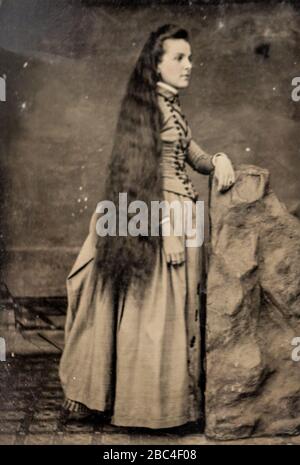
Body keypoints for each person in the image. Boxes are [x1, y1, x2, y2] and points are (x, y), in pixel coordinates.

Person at [59, 24, 235, 429]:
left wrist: (219, 159)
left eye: (189, 57)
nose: (189, 65)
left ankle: (173, 406)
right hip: (154, 216)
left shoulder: (170, 106)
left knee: (172, 315)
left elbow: (188, 151)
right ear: (155, 65)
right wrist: (164, 232)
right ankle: (149, 410)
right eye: (179, 57)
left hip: (180, 212)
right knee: (151, 315)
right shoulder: (146, 108)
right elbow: (137, 177)